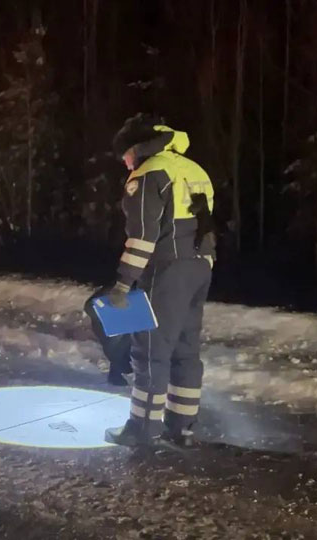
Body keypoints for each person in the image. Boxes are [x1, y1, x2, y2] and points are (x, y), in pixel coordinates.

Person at [104, 114, 216, 448]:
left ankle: (142, 429)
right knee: (185, 348)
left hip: (168, 270)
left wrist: (124, 283)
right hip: (201, 267)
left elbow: (142, 237)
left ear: (136, 149)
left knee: (150, 349)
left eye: (125, 156)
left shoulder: (149, 174)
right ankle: (181, 428)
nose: (125, 164)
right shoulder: (193, 169)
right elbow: (206, 224)